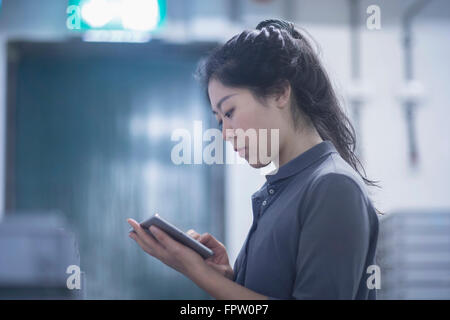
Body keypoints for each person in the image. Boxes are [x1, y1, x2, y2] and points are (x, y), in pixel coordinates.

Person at [127, 19, 380, 300]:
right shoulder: (279, 190)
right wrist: (229, 277)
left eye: (230, 112)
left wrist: (196, 272)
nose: (224, 134)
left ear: (280, 92)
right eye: (219, 120)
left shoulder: (333, 187)